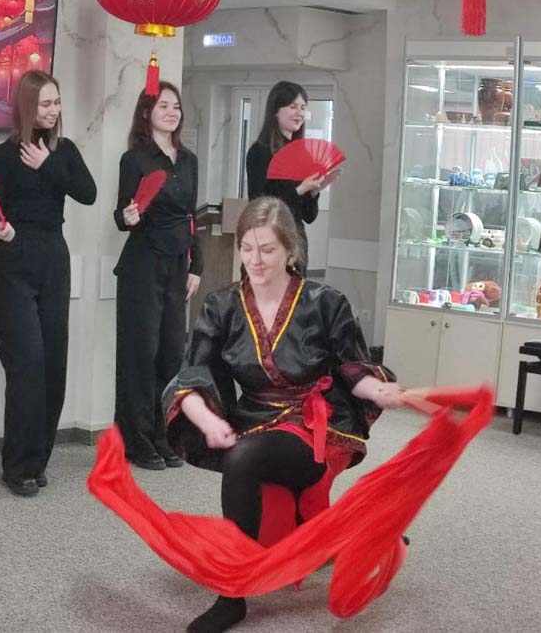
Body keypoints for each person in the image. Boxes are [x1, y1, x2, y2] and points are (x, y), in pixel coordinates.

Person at [161, 197, 402, 632]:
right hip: (253, 419)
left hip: (314, 426)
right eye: (247, 248)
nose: (255, 260)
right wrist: (208, 420)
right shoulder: (222, 305)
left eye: (268, 249)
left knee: (244, 458)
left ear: (291, 250)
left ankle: (231, 595)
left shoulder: (325, 302)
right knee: (247, 455)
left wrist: (378, 389)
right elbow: (190, 377)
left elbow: (353, 369)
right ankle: (340, 533)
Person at [0, 70, 97, 497]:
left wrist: (48, 166)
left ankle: (38, 459)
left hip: (54, 255)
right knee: (25, 363)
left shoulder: (64, 151)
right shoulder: (1, 156)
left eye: (57, 102)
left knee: (52, 363)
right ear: (27, 107)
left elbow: (87, 193)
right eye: (45, 103)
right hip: (15, 257)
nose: (53, 110)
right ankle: (17, 465)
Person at [113, 82, 202, 470]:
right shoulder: (134, 159)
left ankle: (163, 436)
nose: (171, 112)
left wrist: (196, 266)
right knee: (140, 354)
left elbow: (192, 216)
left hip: (177, 264)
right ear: (147, 112)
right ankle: (135, 439)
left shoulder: (188, 160)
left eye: (176, 106)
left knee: (171, 353)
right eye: (164, 106)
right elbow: (121, 215)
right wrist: (127, 216)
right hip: (143, 263)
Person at [245, 81, 334, 274]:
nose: (299, 113)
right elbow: (258, 204)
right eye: (293, 106)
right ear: (275, 111)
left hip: (297, 241)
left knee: (297, 292)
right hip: (270, 240)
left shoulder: (302, 154)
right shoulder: (260, 151)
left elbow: (309, 217)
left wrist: (314, 192)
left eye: (303, 107)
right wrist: (300, 189)